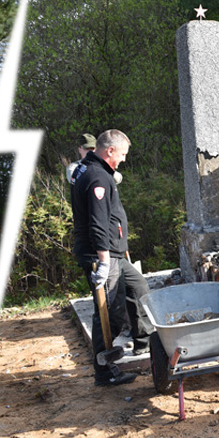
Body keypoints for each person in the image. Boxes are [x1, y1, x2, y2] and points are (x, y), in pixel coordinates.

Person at [70, 129, 153, 386]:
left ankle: (144, 343)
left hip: (114, 253)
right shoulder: (97, 177)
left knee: (138, 286)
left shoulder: (88, 168)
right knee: (108, 314)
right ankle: (104, 371)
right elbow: (97, 222)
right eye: (123, 155)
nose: (124, 160)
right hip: (103, 255)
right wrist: (104, 261)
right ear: (110, 151)